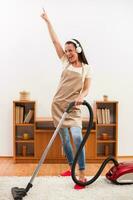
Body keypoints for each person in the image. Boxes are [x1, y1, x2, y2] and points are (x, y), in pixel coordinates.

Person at [41, 10, 92, 190]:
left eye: (71, 50)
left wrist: (81, 96)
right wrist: (48, 21)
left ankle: (82, 175)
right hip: (58, 106)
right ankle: (71, 169)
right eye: (66, 50)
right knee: (65, 141)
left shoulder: (86, 68)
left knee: (77, 138)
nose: (68, 53)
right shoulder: (64, 61)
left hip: (75, 107)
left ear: (77, 50)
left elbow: (86, 88)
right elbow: (55, 41)